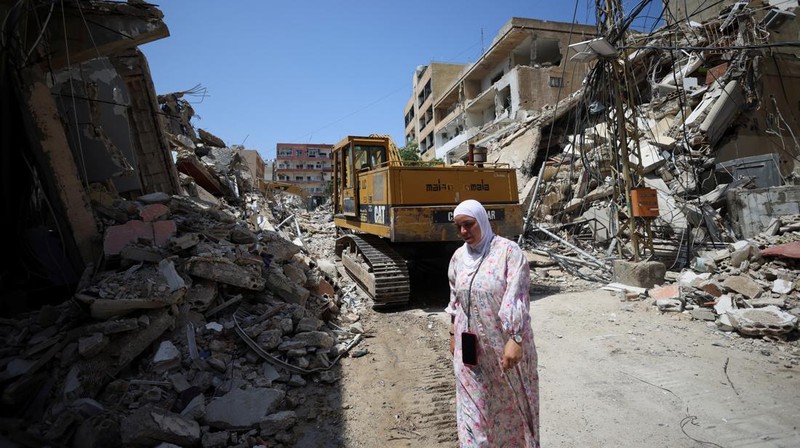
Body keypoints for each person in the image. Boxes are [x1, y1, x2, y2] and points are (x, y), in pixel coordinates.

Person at [446, 199, 540, 447]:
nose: (464, 232)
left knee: (509, 410)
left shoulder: (508, 253)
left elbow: (517, 296)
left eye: (469, 224)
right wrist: (453, 332)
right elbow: (454, 297)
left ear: (483, 221)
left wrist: (516, 339)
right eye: (459, 227)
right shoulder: (458, 258)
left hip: (504, 351)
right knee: (473, 414)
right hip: (470, 354)